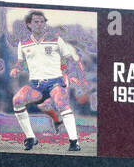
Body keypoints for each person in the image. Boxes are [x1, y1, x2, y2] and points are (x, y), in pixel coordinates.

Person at [10, 10, 86, 152]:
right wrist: (16, 69)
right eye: (36, 22)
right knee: (17, 100)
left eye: (42, 22)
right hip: (36, 85)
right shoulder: (23, 43)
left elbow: (69, 59)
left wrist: (71, 75)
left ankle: (74, 142)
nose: (40, 24)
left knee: (61, 103)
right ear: (29, 24)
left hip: (55, 82)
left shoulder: (56, 39)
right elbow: (20, 62)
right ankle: (31, 138)